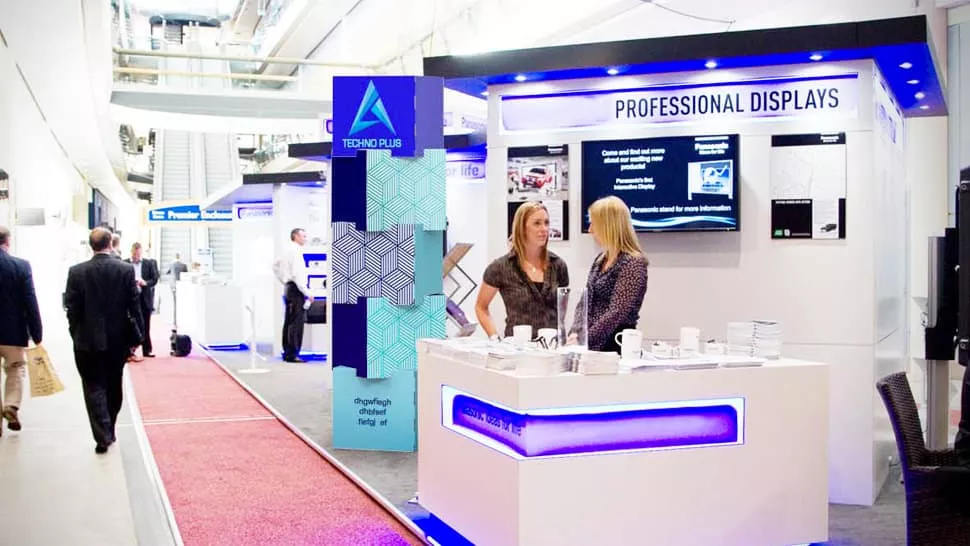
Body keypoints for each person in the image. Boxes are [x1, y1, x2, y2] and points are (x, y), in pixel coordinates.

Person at [65, 228, 143, 454]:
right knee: (113, 384)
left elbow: (72, 308)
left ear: (92, 246)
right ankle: (109, 427)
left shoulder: (77, 272)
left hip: (87, 339)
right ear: (110, 244)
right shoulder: (125, 270)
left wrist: (75, 332)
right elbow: (134, 306)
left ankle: (102, 434)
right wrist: (137, 336)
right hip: (117, 339)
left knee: (93, 386)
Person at [476, 202, 569, 340]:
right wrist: (494, 337)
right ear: (522, 228)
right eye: (537, 223)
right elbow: (481, 307)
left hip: (552, 345)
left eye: (546, 223)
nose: (544, 229)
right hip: (517, 346)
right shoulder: (501, 267)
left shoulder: (558, 265)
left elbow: (561, 310)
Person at [582, 196, 649, 353]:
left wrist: (585, 338)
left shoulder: (632, 263)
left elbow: (617, 312)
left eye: (594, 224)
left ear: (608, 226)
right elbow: (585, 300)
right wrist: (576, 332)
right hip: (591, 344)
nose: (590, 230)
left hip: (615, 345)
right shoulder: (601, 259)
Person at [0, 226, 42, 435]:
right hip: (13, 332)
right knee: (15, 369)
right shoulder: (20, 266)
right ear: (7, 242)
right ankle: (11, 405)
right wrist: (37, 332)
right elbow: (29, 300)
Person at [275, 228, 312, 363]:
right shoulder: (296, 252)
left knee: (289, 321)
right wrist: (307, 292)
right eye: (303, 236)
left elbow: (275, 266)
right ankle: (293, 353)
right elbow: (297, 274)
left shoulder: (285, 250)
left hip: (288, 287)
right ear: (295, 236)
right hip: (296, 289)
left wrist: (284, 280)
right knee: (296, 322)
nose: (305, 239)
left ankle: (287, 352)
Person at [125, 243, 159, 359]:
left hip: (144, 297)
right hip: (130, 298)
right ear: (131, 252)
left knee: (146, 324)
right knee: (130, 324)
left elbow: (154, 279)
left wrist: (145, 283)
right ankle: (130, 350)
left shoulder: (148, 263)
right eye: (134, 254)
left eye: (138, 254)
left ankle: (147, 349)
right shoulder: (125, 263)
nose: (136, 256)